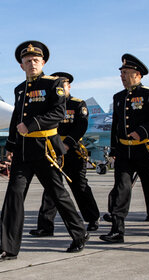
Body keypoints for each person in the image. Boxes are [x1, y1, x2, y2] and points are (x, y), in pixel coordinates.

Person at [0, 41, 88, 262]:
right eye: (27, 61)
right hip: (23, 151)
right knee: (13, 196)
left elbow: (58, 113)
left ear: (43, 62)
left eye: (35, 60)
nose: (32, 63)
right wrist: (11, 146)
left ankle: (79, 234)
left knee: (58, 194)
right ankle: (8, 248)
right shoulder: (20, 89)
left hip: (46, 149)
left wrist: (32, 124)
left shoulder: (54, 84)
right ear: (21, 66)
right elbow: (16, 119)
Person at [100, 54, 149, 244]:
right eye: (121, 73)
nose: (122, 76)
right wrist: (114, 150)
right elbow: (116, 125)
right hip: (124, 152)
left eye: (126, 73)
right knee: (121, 189)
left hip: (145, 150)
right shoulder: (118, 97)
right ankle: (117, 230)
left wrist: (141, 131)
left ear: (138, 75)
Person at [31, 72, 101, 236]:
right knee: (51, 188)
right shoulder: (48, 106)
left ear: (69, 87)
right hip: (53, 151)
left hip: (73, 151)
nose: (61, 89)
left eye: (64, 86)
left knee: (79, 186)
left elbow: (81, 127)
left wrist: (67, 144)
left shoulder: (77, 104)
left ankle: (92, 218)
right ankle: (45, 226)